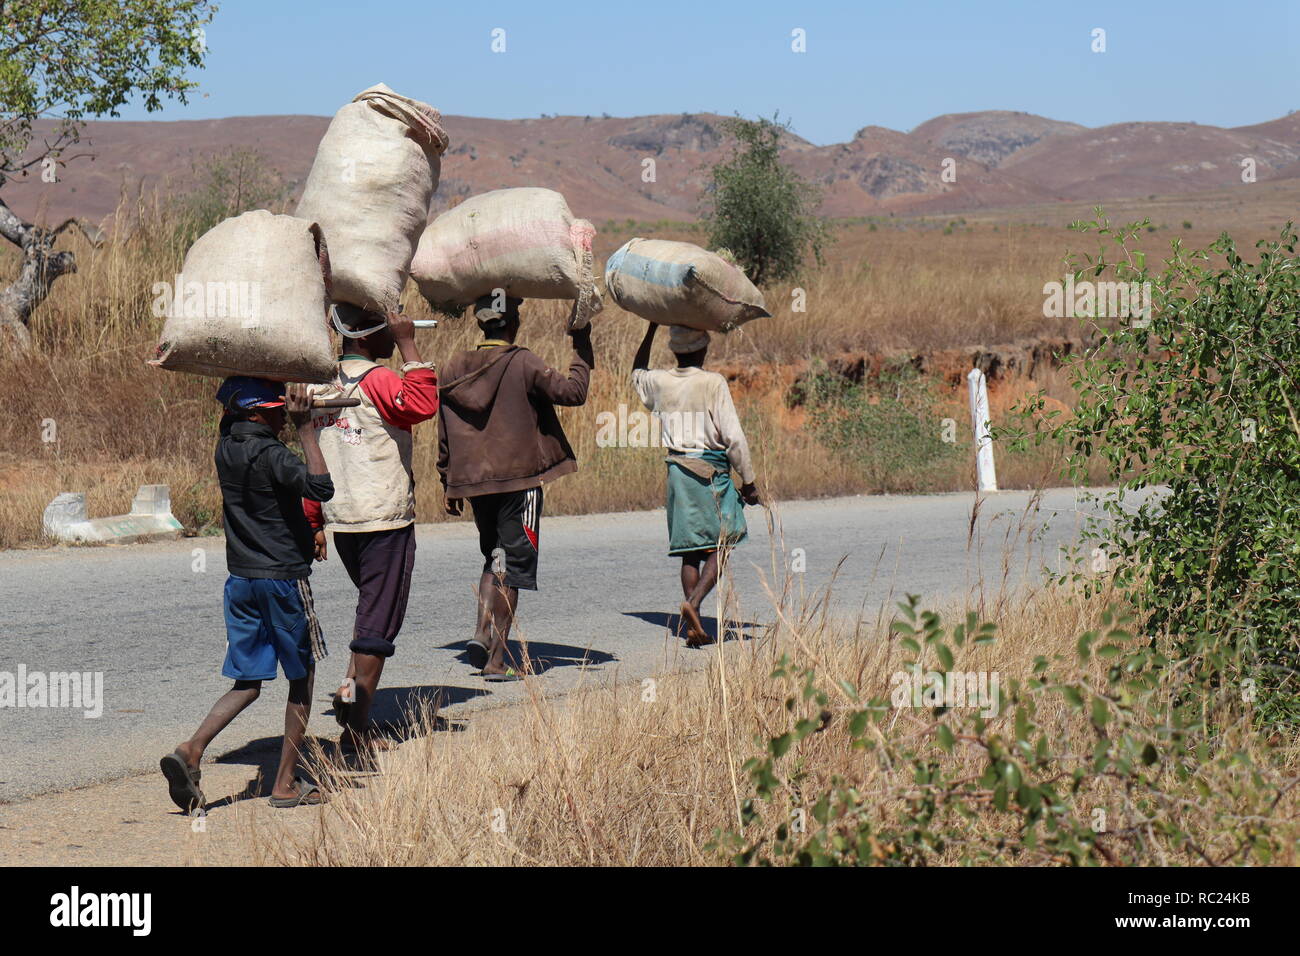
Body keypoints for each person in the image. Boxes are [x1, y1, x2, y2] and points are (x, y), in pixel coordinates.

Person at [161, 376, 333, 812]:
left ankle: (192, 749)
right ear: (257, 413)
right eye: (276, 408)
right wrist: (306, 427)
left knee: (248, 682)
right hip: (282, 580)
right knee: (302, 676)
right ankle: (284, 783)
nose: (282, 413)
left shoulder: (226, 448)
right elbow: (320, 488)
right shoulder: (271, 452)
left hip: (241, 581)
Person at [305, 304, 439, 758]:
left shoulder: (320, 381)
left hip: (343, 516)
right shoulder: (379, 378)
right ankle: (355, 732)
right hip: (384, 517)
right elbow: (421, 405)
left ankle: (348, 694)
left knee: (369, 611)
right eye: (385, 332)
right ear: (366, 338)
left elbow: (314, 455)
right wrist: (408, 344)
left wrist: (314, 518)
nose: (392, 338)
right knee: (378, 624)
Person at [437, 293, 592, 680]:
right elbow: (573, 393)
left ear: (480, 323)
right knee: (514, 567)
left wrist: (447, 480)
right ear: (513, 323)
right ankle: (497, 660)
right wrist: (582, 344)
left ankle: (480, 632)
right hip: (519, 483)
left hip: (474, 484)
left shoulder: (454, 366)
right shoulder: (522, 362)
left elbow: (443, 429)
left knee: (495, 557)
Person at [631, 322, 760, 647]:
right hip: (710, 471)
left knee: (690, 551)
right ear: (703, 349)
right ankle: (695, 603)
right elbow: (732, 436)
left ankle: (694, 628)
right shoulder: (712, 382)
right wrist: (749, 479)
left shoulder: (660, 381)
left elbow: (636, 373)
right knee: (724, 540)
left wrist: (649, 330)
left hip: (677, 470)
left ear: (674, 350)